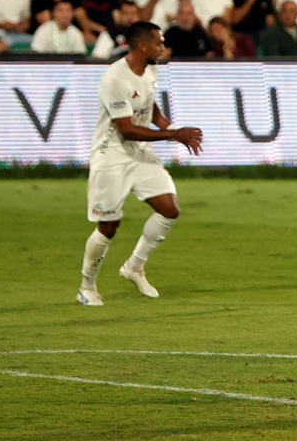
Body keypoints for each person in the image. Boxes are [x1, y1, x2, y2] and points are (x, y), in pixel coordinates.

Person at [75, 21, 203, 306]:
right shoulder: (114, 79)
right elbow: (127, 129)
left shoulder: (150, 69)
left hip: (140, 153)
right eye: (158, 43)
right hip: (111, 158)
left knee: (169, 209)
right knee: (109, 225)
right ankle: (87, 286)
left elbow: (149, 103)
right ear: (142, 46)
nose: (162, 47)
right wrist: (173, 135)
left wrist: (168, 126)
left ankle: (134, 267)